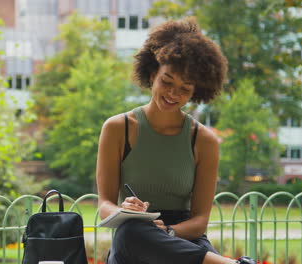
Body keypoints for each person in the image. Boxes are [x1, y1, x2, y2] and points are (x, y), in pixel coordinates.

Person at [96, 17, 255, 264]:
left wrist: (168, 233)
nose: (173, 94)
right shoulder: (117, 128)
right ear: (151, 74)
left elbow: (200, 221)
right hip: (135, 240)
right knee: (130, 231)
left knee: (140, 235)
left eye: (185, 89)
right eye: (167, 81)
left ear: (197, 90)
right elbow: (104, 205)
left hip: (184, 239)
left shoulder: (204, 141)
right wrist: (124, 210)